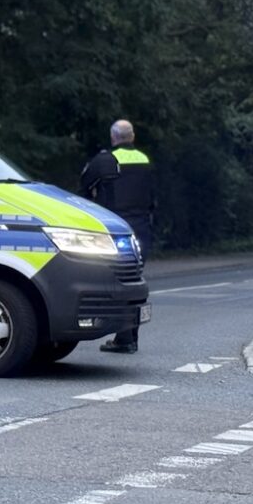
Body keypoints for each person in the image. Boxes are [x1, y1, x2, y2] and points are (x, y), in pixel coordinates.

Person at [80, 119, 154, 354]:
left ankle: (123, 337)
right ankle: (129, 337)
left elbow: (83, 189)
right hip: (141, 228)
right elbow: (154, 197)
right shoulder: (146, 161)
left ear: (114, 138)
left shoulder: (105, 160)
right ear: (132, 137)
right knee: (134, 280)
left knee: (116, 282)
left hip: (113, 228)